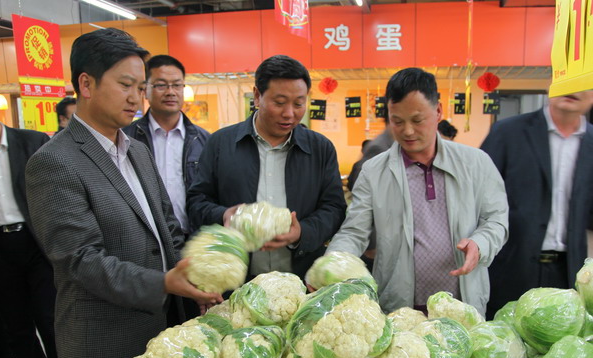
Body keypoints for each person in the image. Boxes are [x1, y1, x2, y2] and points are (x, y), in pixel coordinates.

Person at [25, 28, 222, 358]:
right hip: (103, 349)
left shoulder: (137, 151)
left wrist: (192, 278)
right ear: (86, 84)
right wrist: (164, 282)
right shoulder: (54, 162)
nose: (136, 98)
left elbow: (168, 228)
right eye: (125, 85)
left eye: (140, 87)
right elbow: (82, 260)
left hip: (161, 337)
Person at [326, 68, 509, 316]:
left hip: (462, 305)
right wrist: (331, 265)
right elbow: (354, 232)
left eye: (417, 120)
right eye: (397, 121)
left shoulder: (476, 163)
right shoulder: (374, 172)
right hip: (399, 307)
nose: (408, 131)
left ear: (438, 111)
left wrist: (480, 243)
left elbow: (496, 220)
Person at [187, 54, 347, 280]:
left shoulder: (320, 149)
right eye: (279, 103)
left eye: (299, 103)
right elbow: (196, 201)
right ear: (257, 96)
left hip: (302, 281)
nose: (289, 113)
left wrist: (302, 232)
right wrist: (223, 215)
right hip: (236, 280)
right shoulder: (221, 144)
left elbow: (334, 208)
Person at [481, 90, 593, 319]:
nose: (573, 89)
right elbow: (478, 198)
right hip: (511, 269)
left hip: (568, 274)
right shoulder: (507, 133)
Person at [0, 100, 66, 358]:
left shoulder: (31, 142)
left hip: (36, 242)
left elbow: (57, 187)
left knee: (50, 321)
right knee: (17, 326)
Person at [123, 55, 210, 236]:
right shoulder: (126, 138)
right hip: (147, 239)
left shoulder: (204, 140)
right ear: (145, 90)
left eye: (177, 85)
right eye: (161, 85)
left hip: (192, 239)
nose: (171, 92)